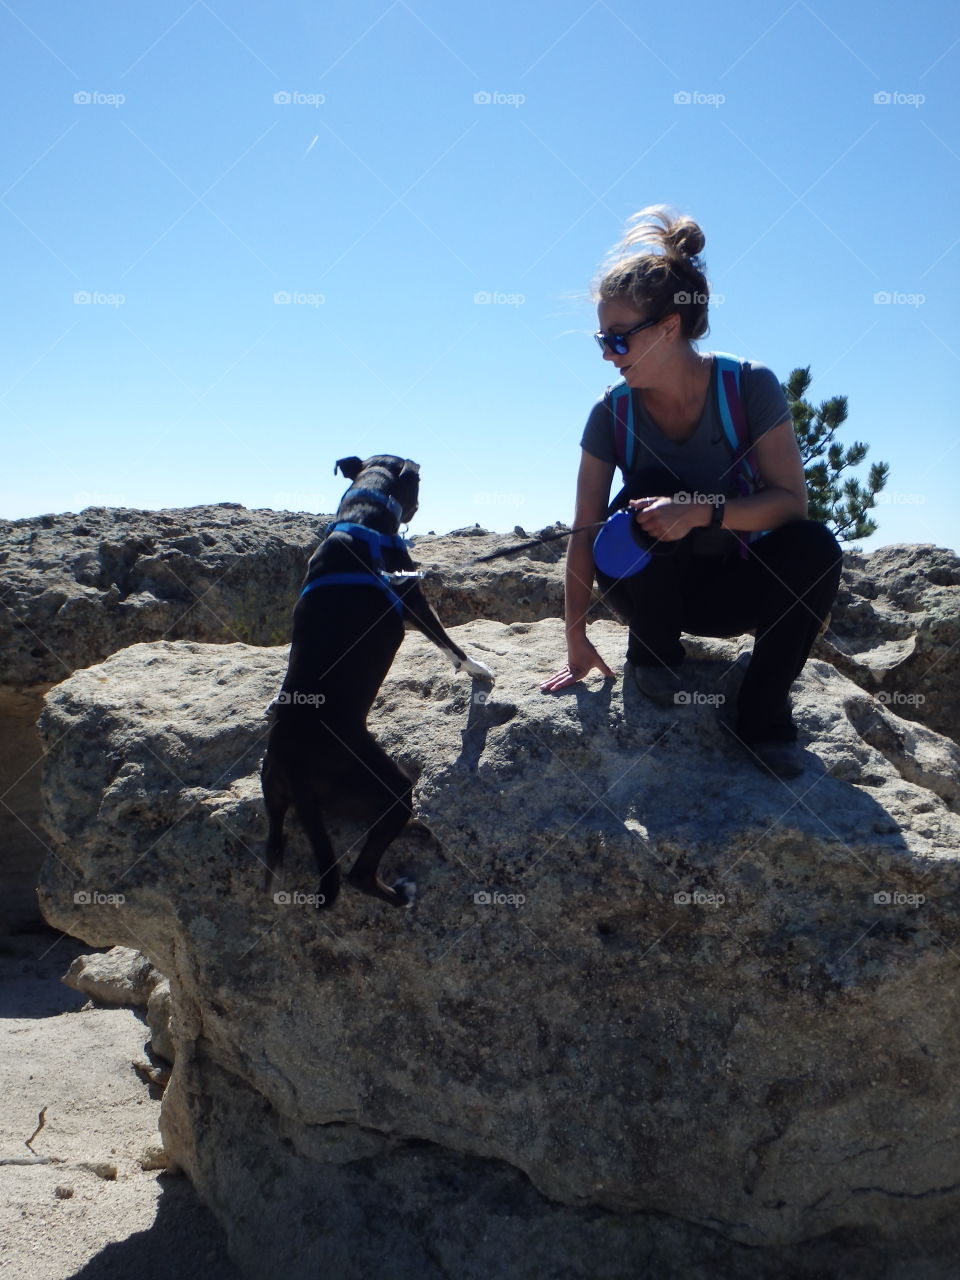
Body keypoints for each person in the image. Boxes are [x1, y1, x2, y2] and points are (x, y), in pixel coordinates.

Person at [540, 205, 842, 779]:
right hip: (651, 593)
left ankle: (760, 715)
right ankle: (652, 659)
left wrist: (700, 512)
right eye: (601, 338)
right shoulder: (612, 413)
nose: (607, 353)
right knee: (645, 490)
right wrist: (576, 639)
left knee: (816, 546)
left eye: (619, 338)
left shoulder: (748, 386)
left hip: (735, 587)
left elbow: (789, 505)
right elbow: (584, 531)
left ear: (669, 327)